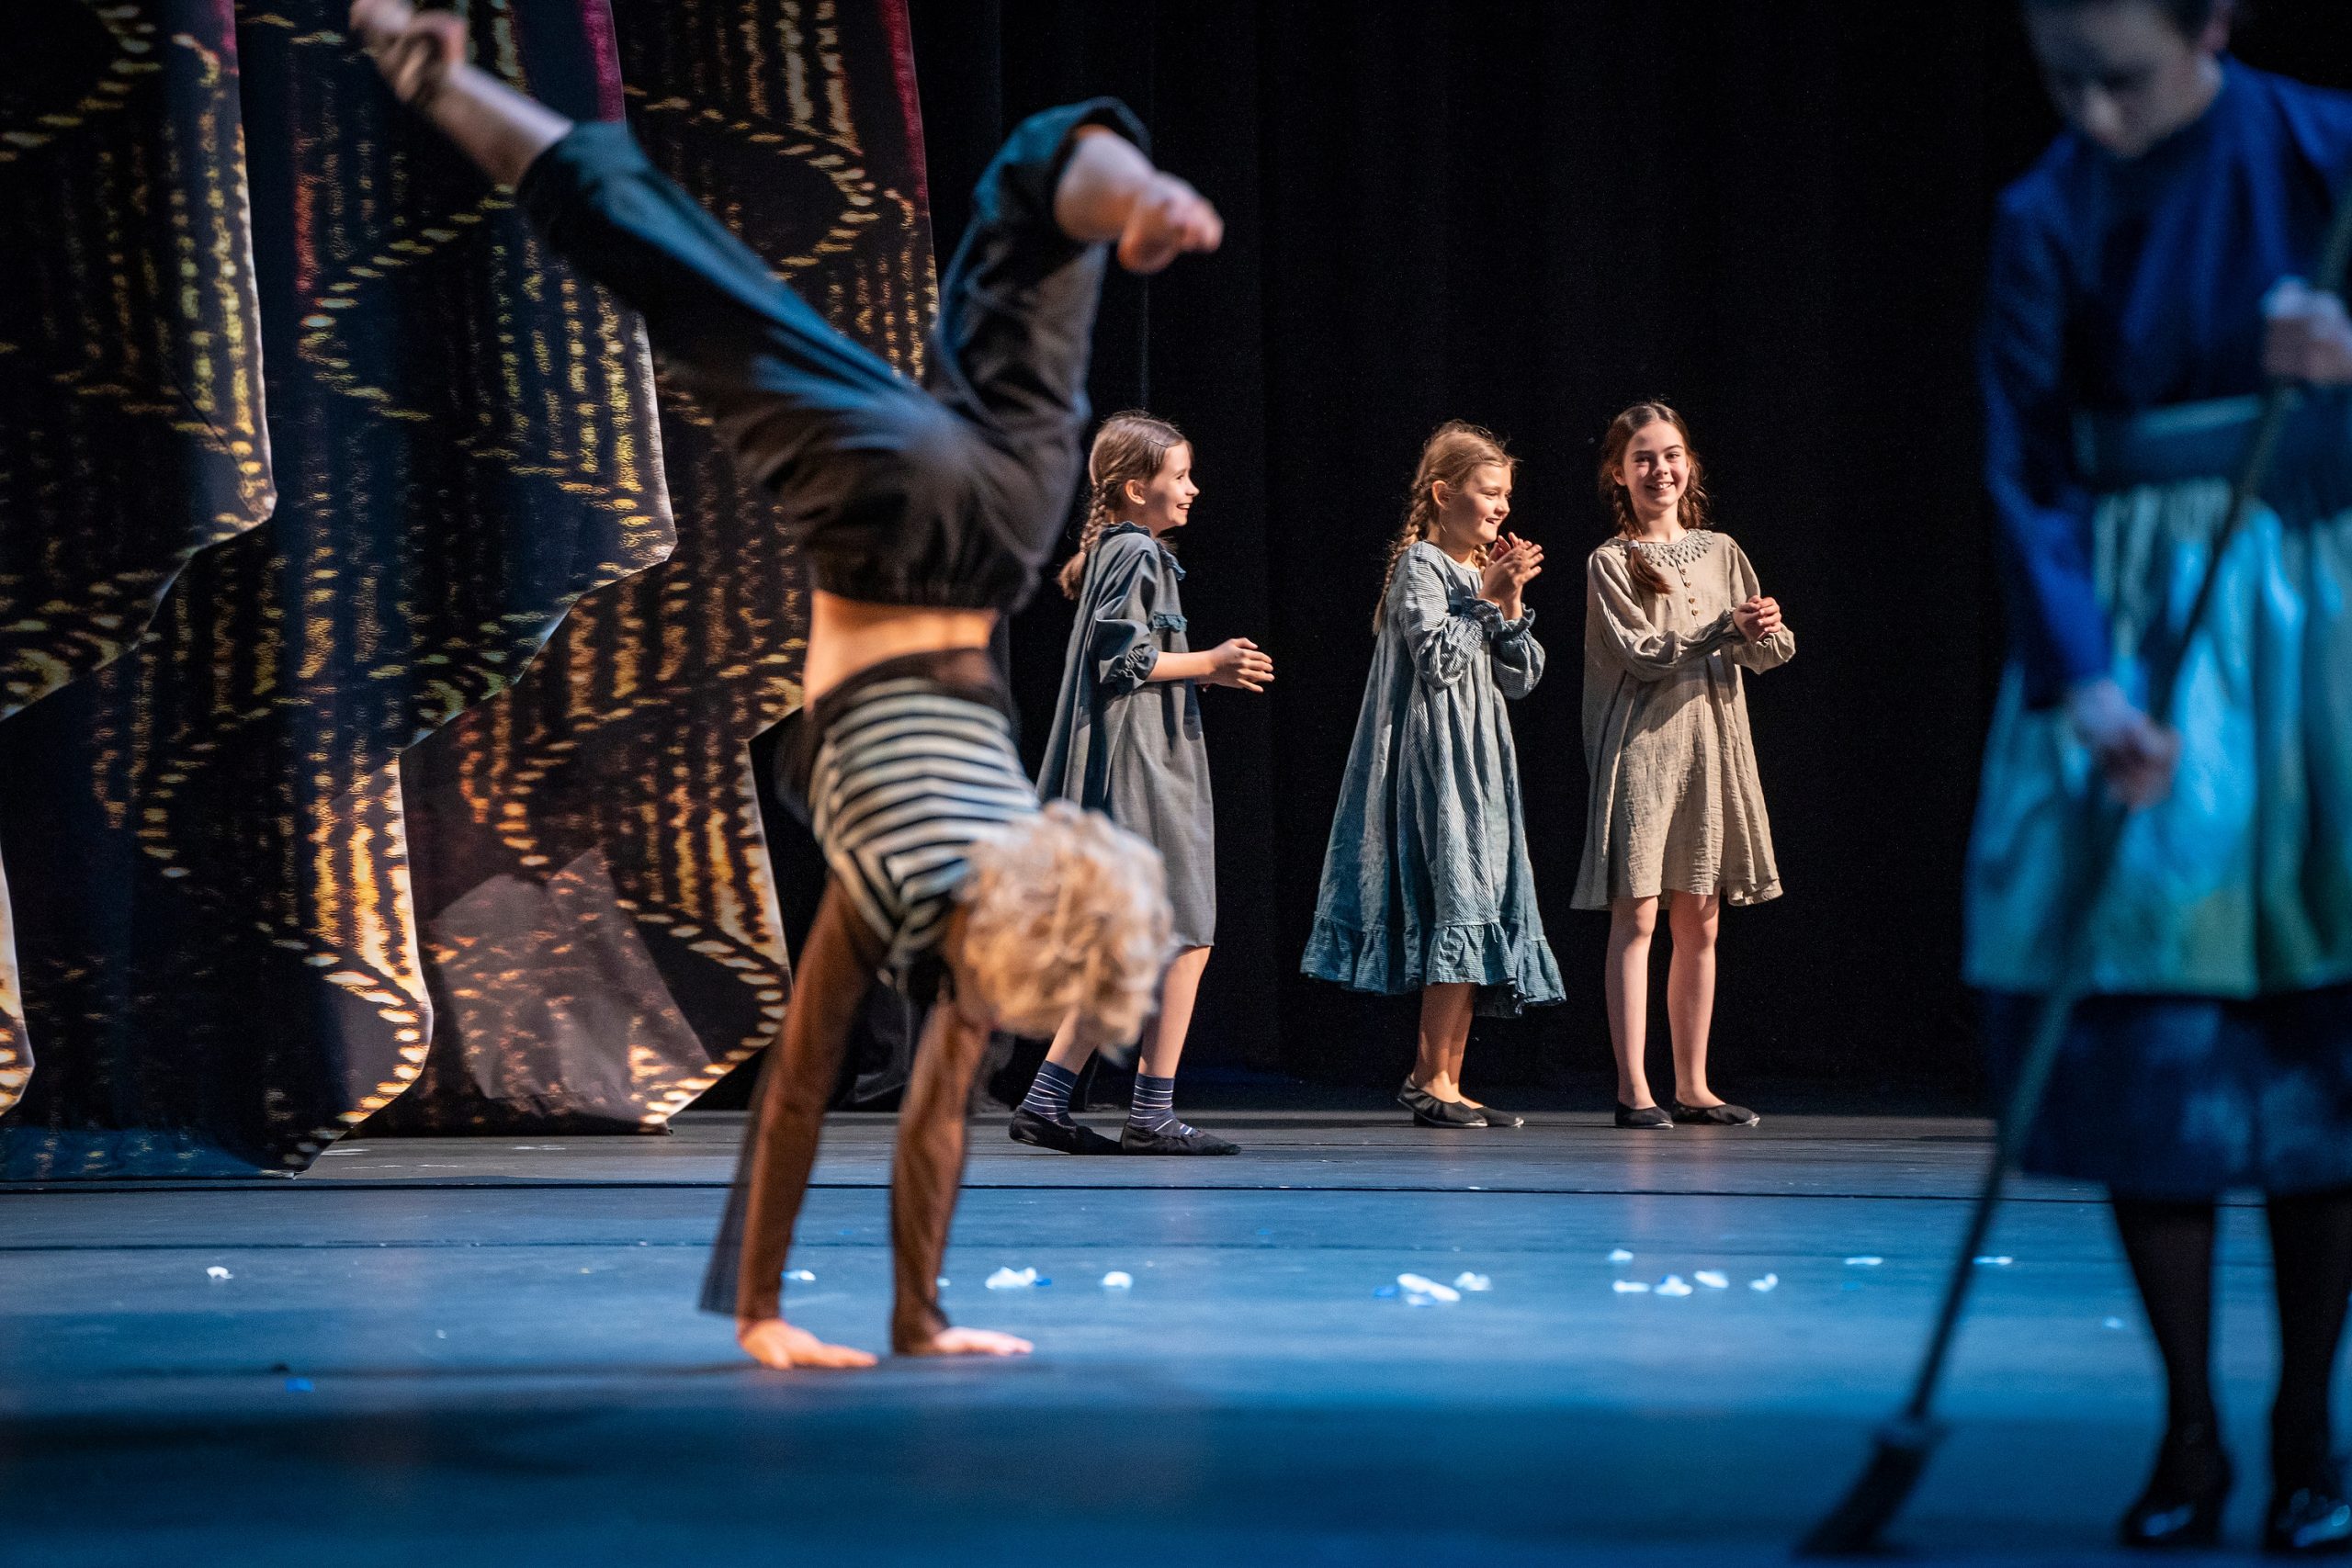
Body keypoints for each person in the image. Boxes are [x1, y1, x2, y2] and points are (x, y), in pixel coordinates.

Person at [349, 0, 1220, 1370]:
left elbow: (865, 1099)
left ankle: (1134, 193)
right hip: (877, 517)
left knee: (1024, 230)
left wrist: (893, 1320)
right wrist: (791, 1313)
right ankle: (446, 87)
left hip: (999, 519)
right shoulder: (905, 886)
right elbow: (816, 1090)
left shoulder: (995, 861)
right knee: (697, 285)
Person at [1976, 0, 2352, 1548]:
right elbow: (2026, 461)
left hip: (2318, 607)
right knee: (2153, 1019)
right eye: (2061, 81)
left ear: (2213, 25)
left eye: (2122, 81)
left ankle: (2309, 1427)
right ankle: (2190, 1428)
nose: (2094, 119)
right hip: (2139, 627)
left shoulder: (2328, 153)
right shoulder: (2045, 211)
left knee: (2320, 1026)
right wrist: (2086, 681)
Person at [1021, 412, 1270, 1156]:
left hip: (1134, 760)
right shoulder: (1137, 552)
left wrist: (1200, 671)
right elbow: (1120, 662)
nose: (1192, 489)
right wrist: (1211, 662)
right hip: (1143, 767)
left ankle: (1046, 1098)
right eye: (1179, 476)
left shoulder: (1119, 548)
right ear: (1136, 487)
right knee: (1186, 933)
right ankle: (1152, 1110)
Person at [1302, 422, 1561, 1128]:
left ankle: (1444, 1077)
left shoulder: (1477, 575)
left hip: (1482, 766)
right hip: (1438, 763)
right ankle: (1427, 1077)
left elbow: (1523, 677)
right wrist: (1485, 595)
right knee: (1458, 902)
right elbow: (1439, 660)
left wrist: (1507, 601)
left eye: (1506, 494)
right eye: (1488, 491)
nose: (1501, 505)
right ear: (1445, 495)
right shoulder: (1423, 563)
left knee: (1479, 907)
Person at [1574, 402, 1792, 1131]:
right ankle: (1634, 1087)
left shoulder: (1721, 550)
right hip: (1644, 747)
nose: (1659, 469)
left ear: (1688, 464)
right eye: (1643, 458)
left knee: (1700, 916)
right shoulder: (1612, 560)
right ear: (1618, 473)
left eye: (1670, 455)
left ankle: (1693, 1084)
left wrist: (1761, 626)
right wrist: (1725, 628)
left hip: (1711, 742)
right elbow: (1641, 653)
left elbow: (1764, 652)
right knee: (1638, 913)